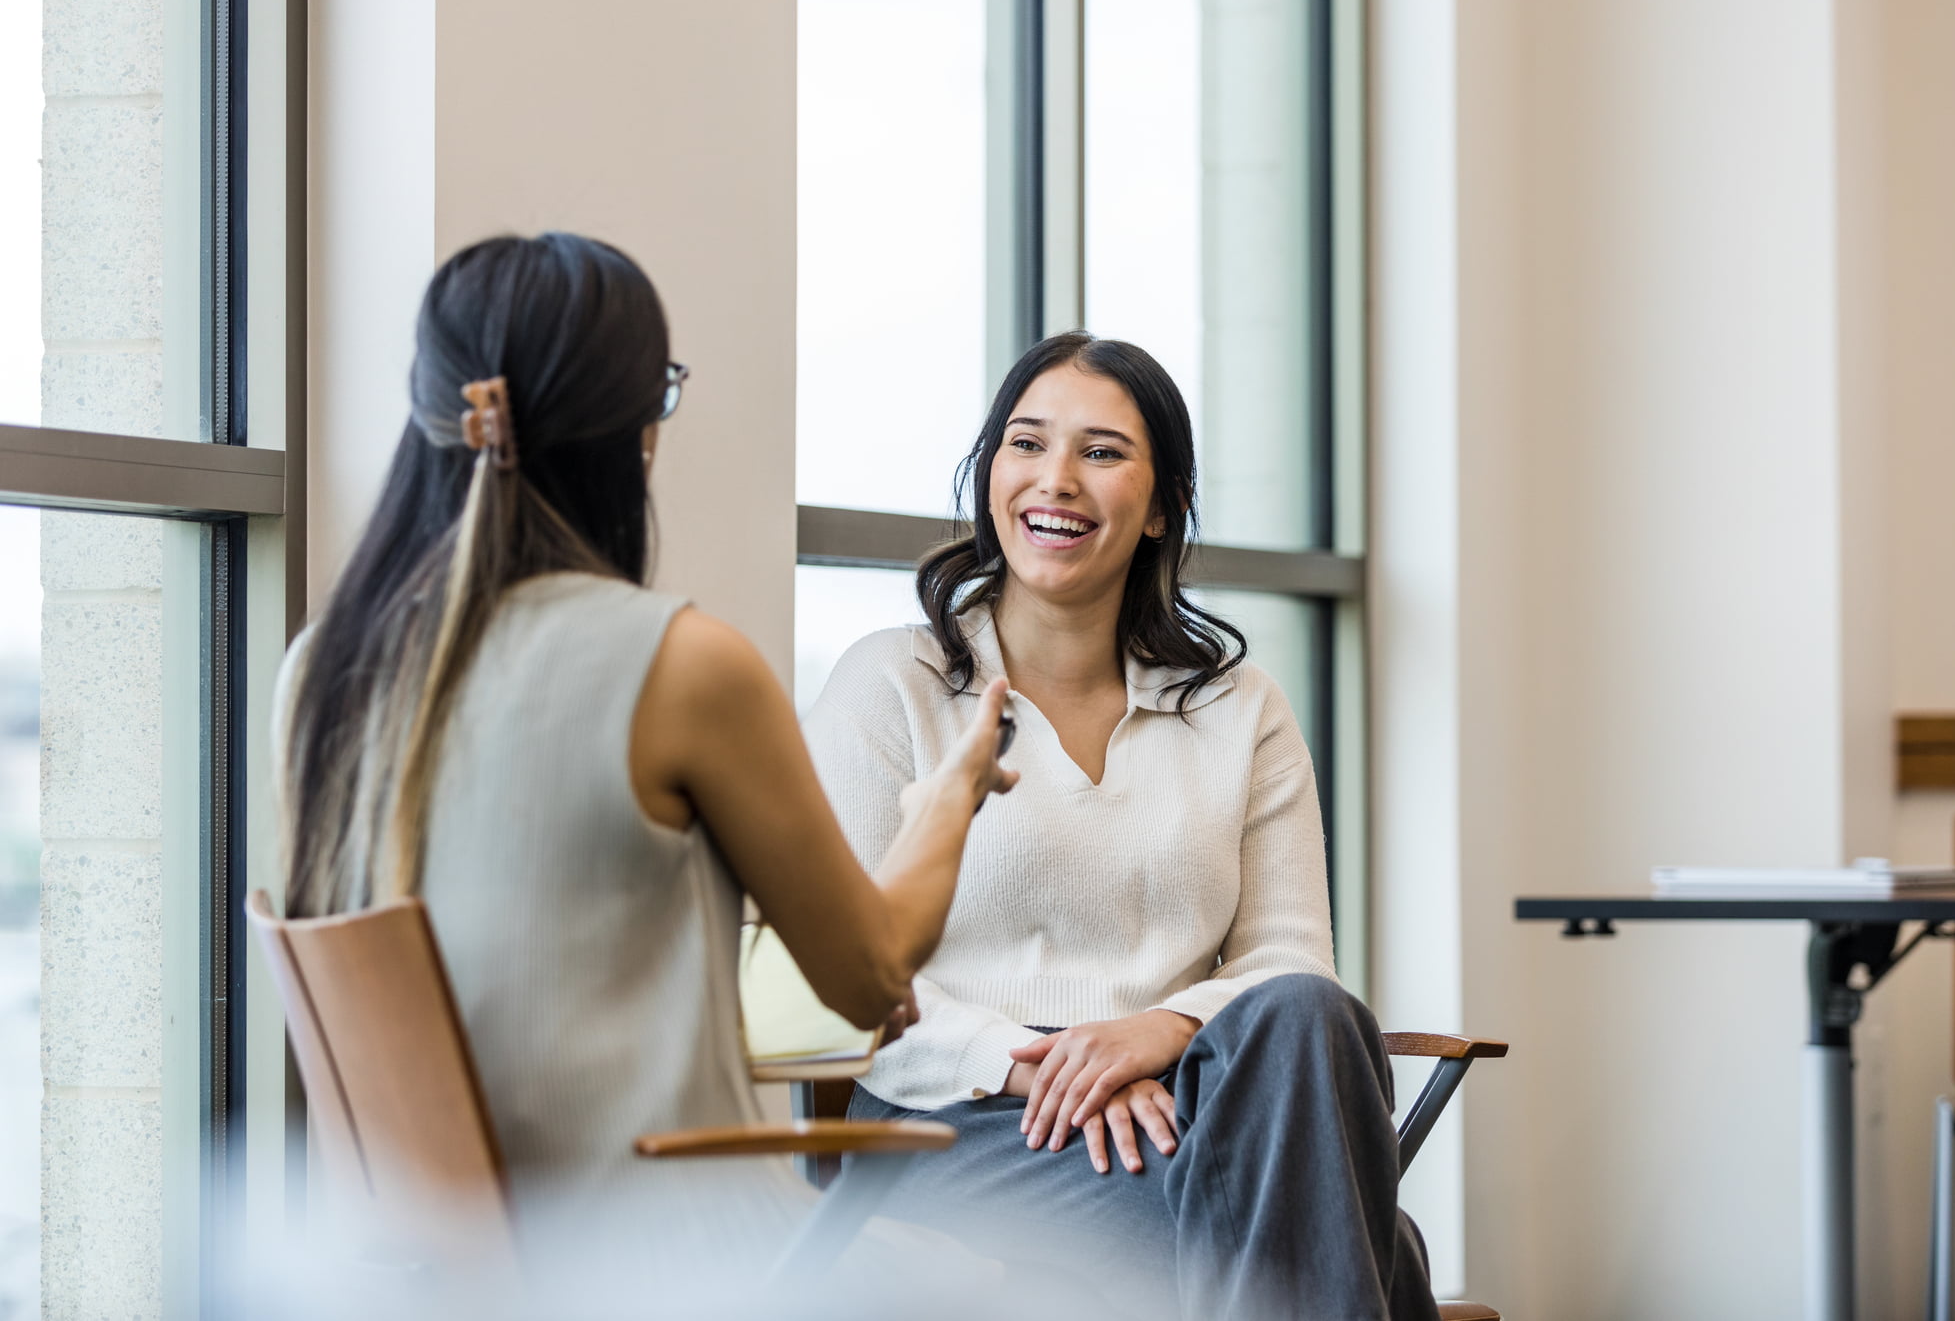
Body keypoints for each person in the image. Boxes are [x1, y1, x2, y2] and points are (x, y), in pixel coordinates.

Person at [272, 233, 1019, 1306]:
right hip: (678, 1257)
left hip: (438, 1271)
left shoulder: (321, 669)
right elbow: (869, 976)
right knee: (1016, 1279)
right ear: (633, 434)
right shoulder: (681, 664)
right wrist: (943, 798)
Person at [804, 331, 1445, 1320]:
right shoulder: (893, 684)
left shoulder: (1239, 707)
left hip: (1186, 1097)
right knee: (1369, 1242)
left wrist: (1159, 1032)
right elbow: (842, 978)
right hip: (954, 1115)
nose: (1054, 479)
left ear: (1161, 508)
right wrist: (1048, 1067)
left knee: (1314, 1016)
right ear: (990, 474)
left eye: (1101, 453)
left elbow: (1291, 957)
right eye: (1026, 443)